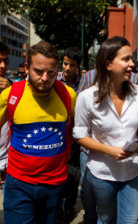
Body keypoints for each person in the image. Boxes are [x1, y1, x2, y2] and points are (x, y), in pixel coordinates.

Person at [73, 36, 138, 224]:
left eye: (131, 58)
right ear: (108, 64)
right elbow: (80, 136)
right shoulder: (86, 97)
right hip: (102, 174)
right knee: (106, 219)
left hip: (135, 171)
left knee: (129, 221)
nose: (131, 64)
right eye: (126, 59)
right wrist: (110, 150)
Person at [0, 41, 76, 224]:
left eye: (51, 72)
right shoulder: (10, 96)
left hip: (54, 185)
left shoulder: (68, 95)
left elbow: (73, 128)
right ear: (27, 67)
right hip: (18, 184)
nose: (44, 78)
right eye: (38, 71)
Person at [57, 46, 83, 222]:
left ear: (77, 67)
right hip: (57, 135)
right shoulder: (55, 81)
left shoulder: (83, 84)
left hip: (75, 139)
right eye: (65, 64)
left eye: (71, 65)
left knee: (73, 175)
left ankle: (69, 206)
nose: (67, 68)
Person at [0, 42, 11, 192]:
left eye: (5, 61)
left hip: (7, 166)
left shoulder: (13, 88)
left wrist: (10, 91)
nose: (2, 66)